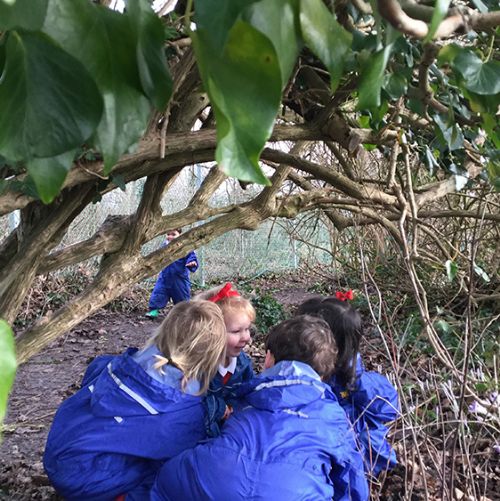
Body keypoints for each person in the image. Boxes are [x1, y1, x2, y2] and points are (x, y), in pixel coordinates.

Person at [151, 315, 369, 500]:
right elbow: (352, 480)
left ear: (268, 359)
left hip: (216, 480)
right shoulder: (334, 415)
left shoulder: (250, 396)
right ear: (323, 374)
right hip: (298, 492)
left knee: (164, 478)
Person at [43, 300, 227, 500]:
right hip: (86, 480)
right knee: (177, 474)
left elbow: (93, 369)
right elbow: (181, 454)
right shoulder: (185, 411)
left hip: (58, 452)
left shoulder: (121, 363)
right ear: (210, 355)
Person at [297, 295, 400, 477]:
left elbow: (389, 408)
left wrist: (355, 381)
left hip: (358, 459)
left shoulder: (354, 378)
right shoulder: (302, 375)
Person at [194, 282, 255, 434]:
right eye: (236, 331)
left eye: (247, 329)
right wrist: (220, 409)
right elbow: (192, 405)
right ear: (210, 333)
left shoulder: (243, 363)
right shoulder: (198, 367)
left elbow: (249, 391)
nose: (246, 337)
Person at [146, 228, 198, 318]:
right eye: (168, 234)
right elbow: (157, 258)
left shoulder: (185, 247)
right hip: (164, 277)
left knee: (182, 298)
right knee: (158, 293)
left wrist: (192, 263)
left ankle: (183, 313)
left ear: (180, 235)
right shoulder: (164, 246)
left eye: (173, 234)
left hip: (179, 278)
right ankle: (154, 310)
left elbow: (191, 257)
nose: (170, 237)